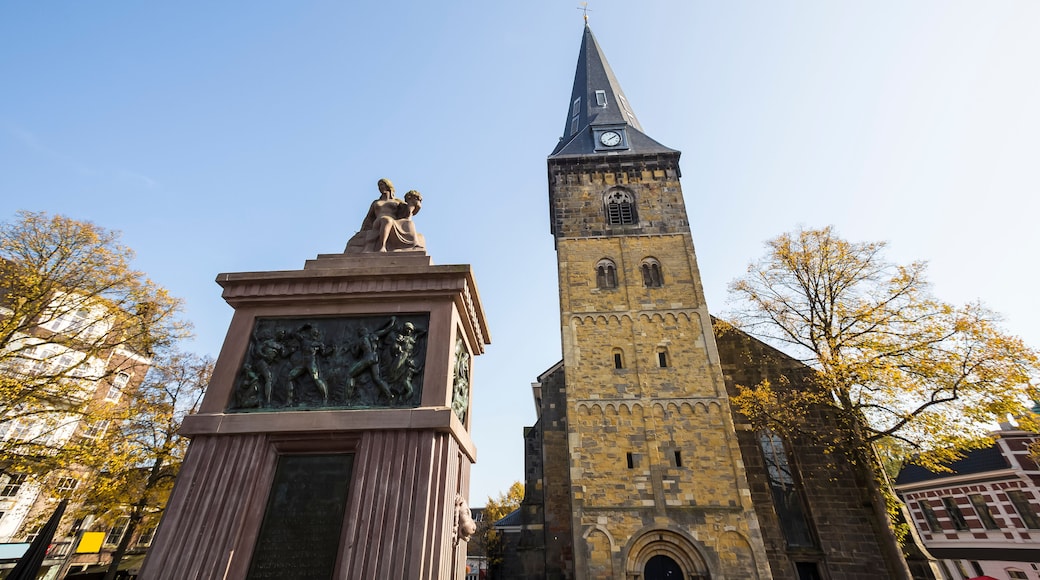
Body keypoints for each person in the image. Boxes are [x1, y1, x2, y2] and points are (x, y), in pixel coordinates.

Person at [344, 179, 425, 253]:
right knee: (386, 220)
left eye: (382, 185)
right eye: (379, 186)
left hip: (394, 222)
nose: (380, 188)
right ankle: (382, 247)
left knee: (409, 223)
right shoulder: (376, 202)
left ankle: (414, 244)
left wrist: (415, 203)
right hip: (379, 222)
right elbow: (369, 218)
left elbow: (408, 212)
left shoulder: (397, 201)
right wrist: (362, 230)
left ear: (388, 186)